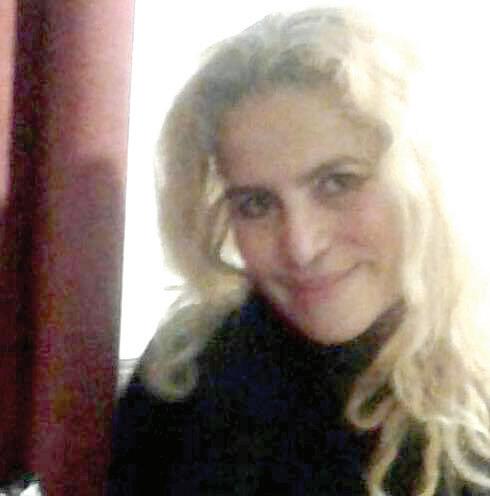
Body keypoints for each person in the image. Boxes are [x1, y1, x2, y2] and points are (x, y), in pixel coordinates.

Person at [108, 7, 490, 495]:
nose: (301, 246)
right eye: (256, 204)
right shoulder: (184, 379)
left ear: (423, 181)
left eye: (338, 182)